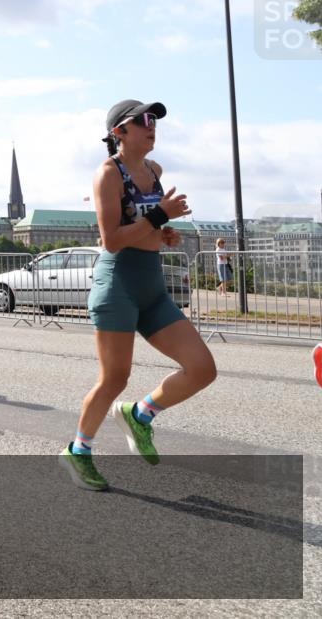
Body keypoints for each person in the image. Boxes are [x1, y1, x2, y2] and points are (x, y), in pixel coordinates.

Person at [59, 99, 217, 491]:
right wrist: (160, 217)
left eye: (155, 121)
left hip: (152, 286)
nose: (153, 127)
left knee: (202, 368)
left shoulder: (154, 171)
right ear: (119, 133)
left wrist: (164, 233)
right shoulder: (107, 175)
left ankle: (140, 414)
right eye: (144, 121)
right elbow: (111, 240)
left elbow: (145, 225)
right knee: (114, 378)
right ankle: (78, 451)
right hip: (118, 287)